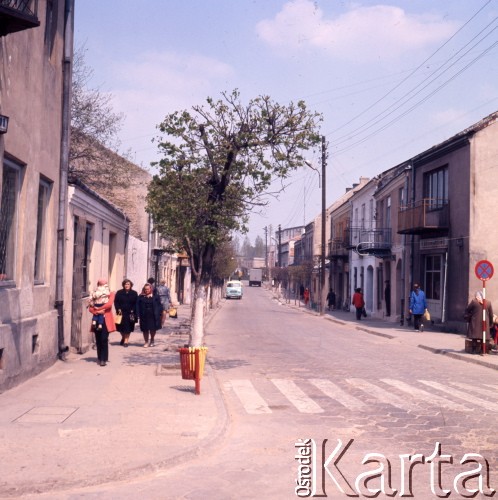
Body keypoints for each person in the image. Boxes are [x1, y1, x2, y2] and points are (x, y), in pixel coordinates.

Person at [88, 278, 116, 366]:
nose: (102, 286)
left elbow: (109, 304)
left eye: (104, 284)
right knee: (98, 339)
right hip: (96, 319)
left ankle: (104, 358)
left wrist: (99, 309)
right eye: (100, 284)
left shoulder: (110, 294)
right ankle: (100, 357)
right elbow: (90, 307)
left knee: (104, 338)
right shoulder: (95, 294)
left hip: (106, 319)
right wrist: (96, 311)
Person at [136, 282, 163, 347]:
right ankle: (146, 342)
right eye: (145, 289)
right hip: (144, 315)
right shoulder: (141, 296)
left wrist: (159, 313)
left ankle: (152, 339)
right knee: (145, 329)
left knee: (152, 329)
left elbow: (159, 306)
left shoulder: (155, 296)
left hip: (153, 315)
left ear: (151, 289)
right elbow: (137, 305)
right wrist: (138, 314)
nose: (146, 290)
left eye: (148, 289)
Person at [114, 279, 138, 347]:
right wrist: (118, 309)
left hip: (130, 313)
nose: (127, 285)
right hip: (120, 312)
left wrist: (133, 310)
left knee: (128, 327)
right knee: (120, 327)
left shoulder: (134, 293)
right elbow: (116, 302)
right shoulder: (119, 292)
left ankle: (126, 341)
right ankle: (123, 337)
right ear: (123, 285)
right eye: (125, 284)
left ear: (130, 285)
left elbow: (136, 303)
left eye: (128, 284)